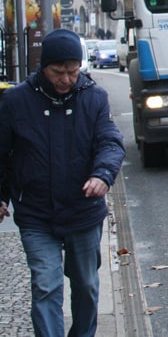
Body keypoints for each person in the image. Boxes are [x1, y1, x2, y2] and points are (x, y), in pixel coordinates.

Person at [0, 28, 126, 337]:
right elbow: (2, 153)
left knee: (86, 285)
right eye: (58, 72)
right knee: (45, 285)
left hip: (83, 211)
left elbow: (110, 142)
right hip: (36, 213)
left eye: (72, 71)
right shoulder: (15, 101)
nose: (66, 79)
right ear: (43, 67)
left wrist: (102, 175)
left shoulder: (94, 98)